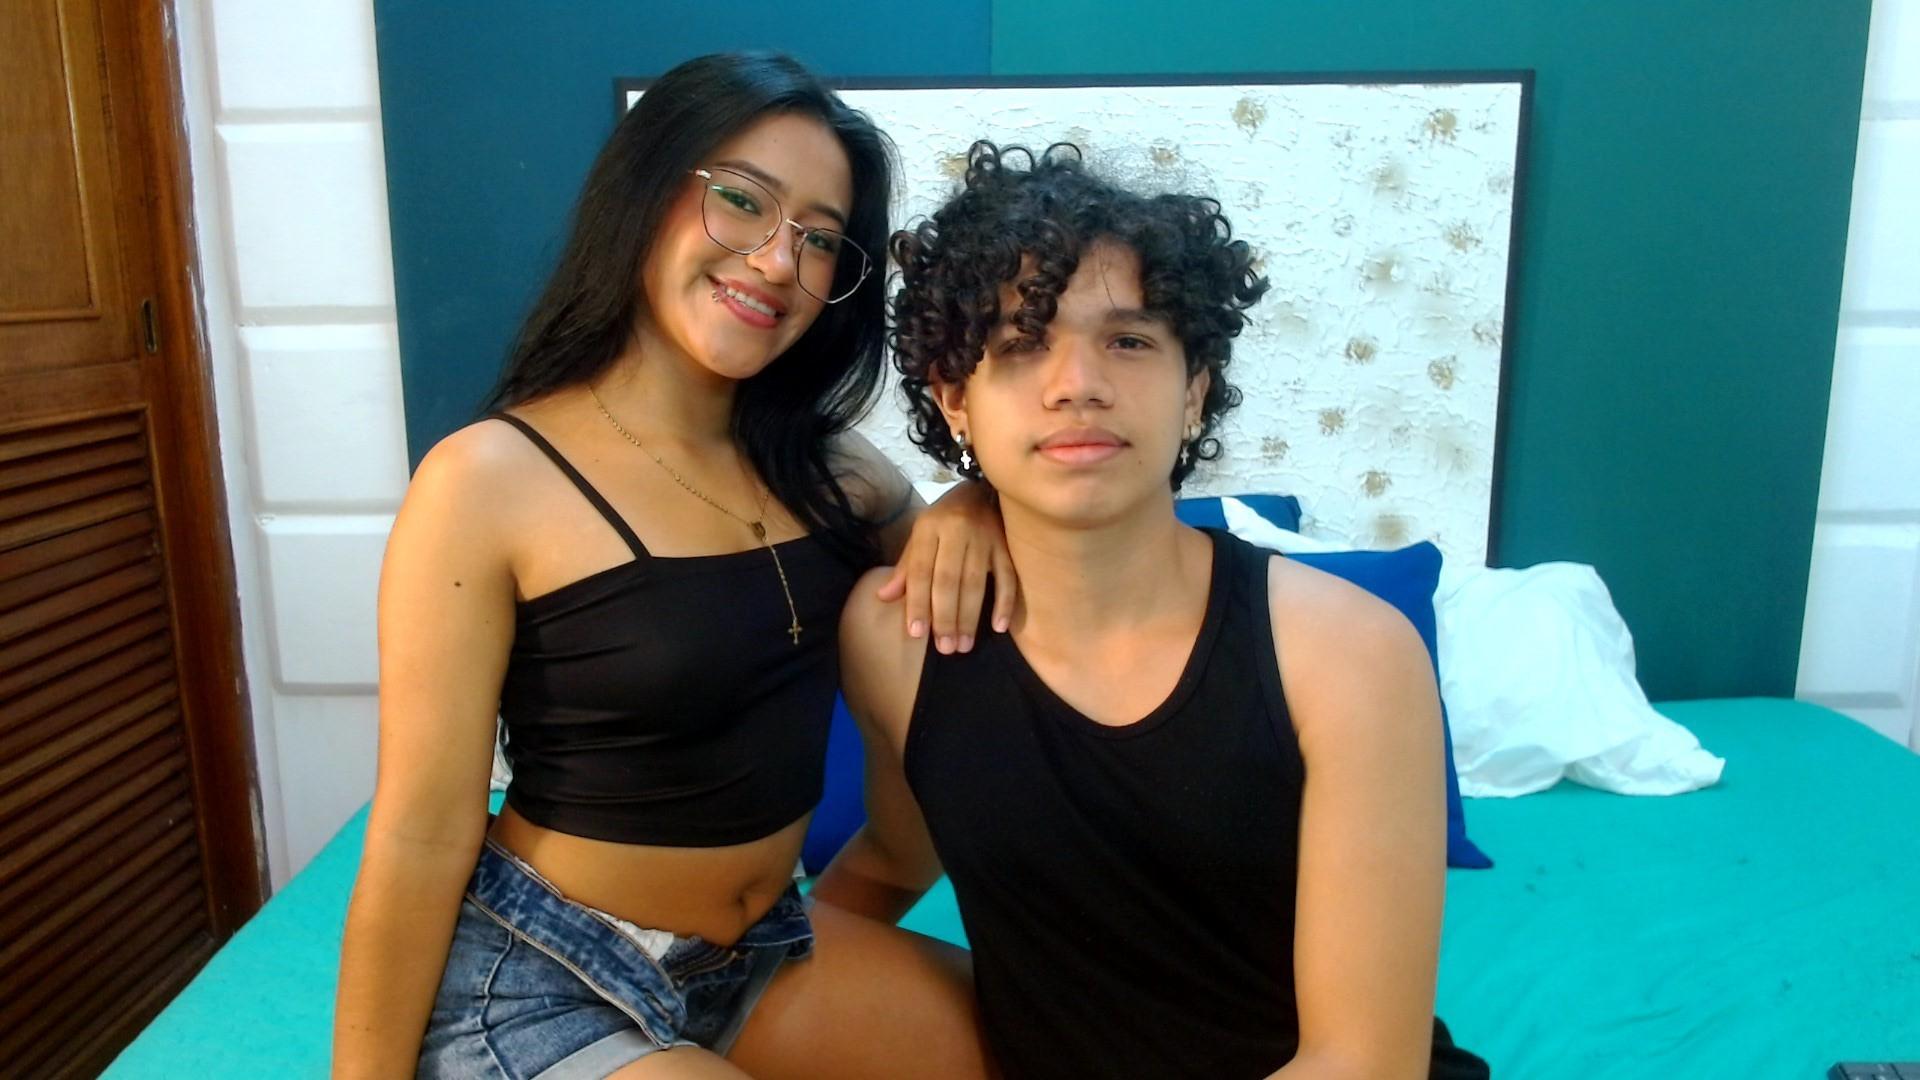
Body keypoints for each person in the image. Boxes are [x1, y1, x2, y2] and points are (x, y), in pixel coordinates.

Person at [334, 54, 1005, 1079]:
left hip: (755, 954)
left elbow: (974, 596)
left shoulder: (837, 473)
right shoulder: (484, 480)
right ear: (647, 193)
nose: (776, 262)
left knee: (1044, 1040)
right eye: (742, 201)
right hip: (546, 977)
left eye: (820, 238)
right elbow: (422, 833)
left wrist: (973, 501)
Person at [816, 143, 1491, 1079]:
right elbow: (897, 858)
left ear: (1195, 390)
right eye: (1021, 344)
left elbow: (1362, 1063)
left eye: (1129, 341)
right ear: (955, 401)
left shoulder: (1350, 654)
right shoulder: (895, 636)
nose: (1077, 384)